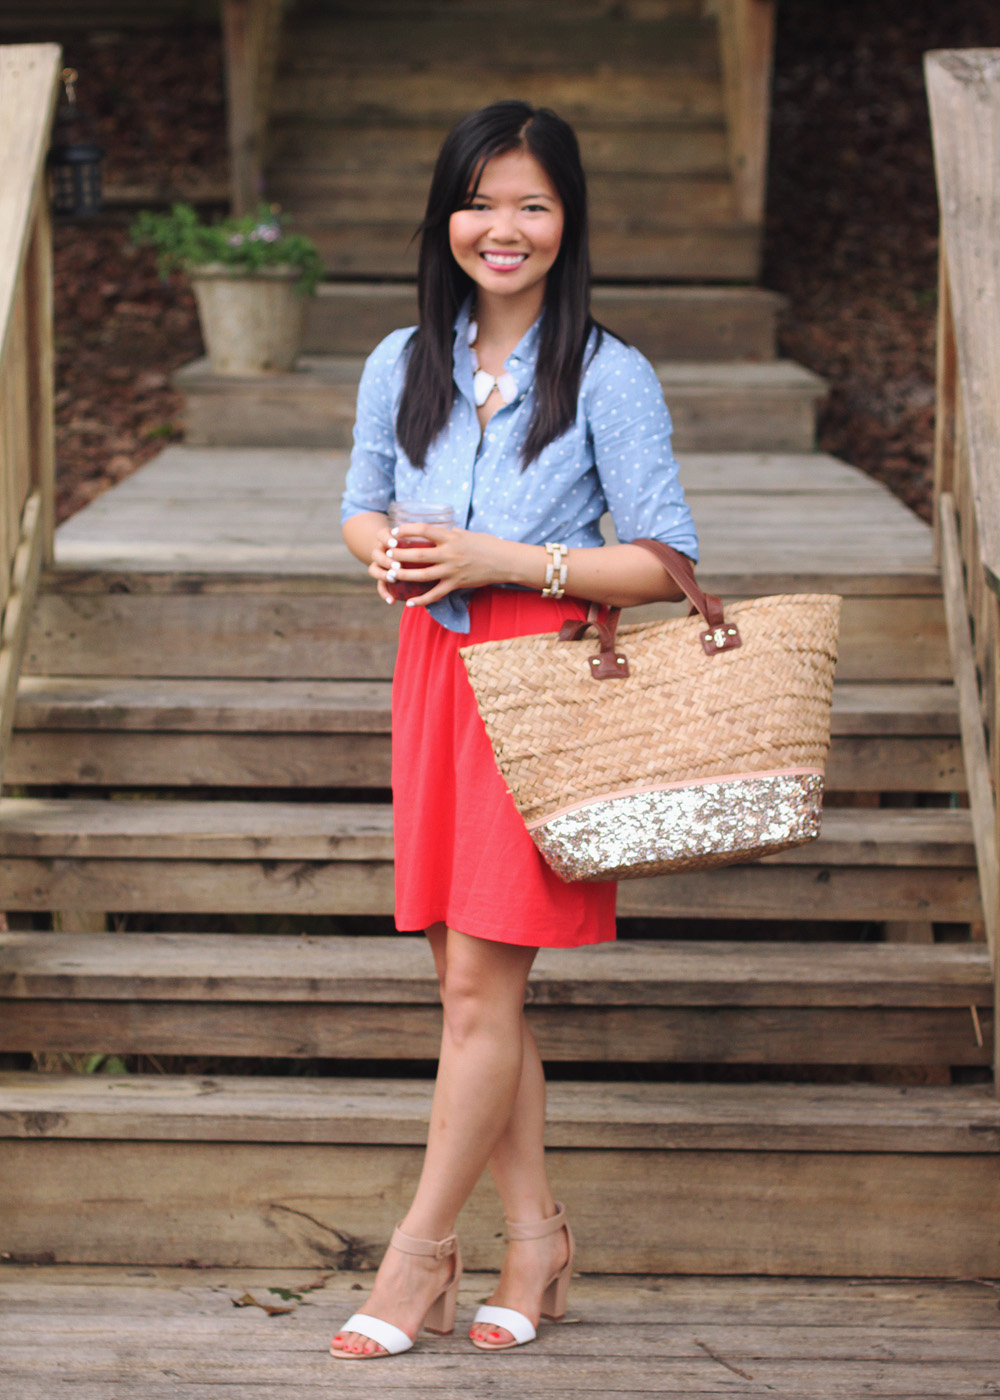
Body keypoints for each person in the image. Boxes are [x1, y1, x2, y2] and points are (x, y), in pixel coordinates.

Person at [332, 99, 698, 1360]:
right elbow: (359, 509)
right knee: (463, 981)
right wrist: (394, 556)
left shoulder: (608, 373)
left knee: (480, 990)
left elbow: (663, 562)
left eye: (532, 203)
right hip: (430, 674)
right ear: (447, 216)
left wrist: (507, 558)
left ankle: (418, 1253)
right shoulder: (402, 359)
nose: (505, 227)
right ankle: (537, 1233)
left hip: (535, 684)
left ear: (566, 221)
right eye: (483, 201)